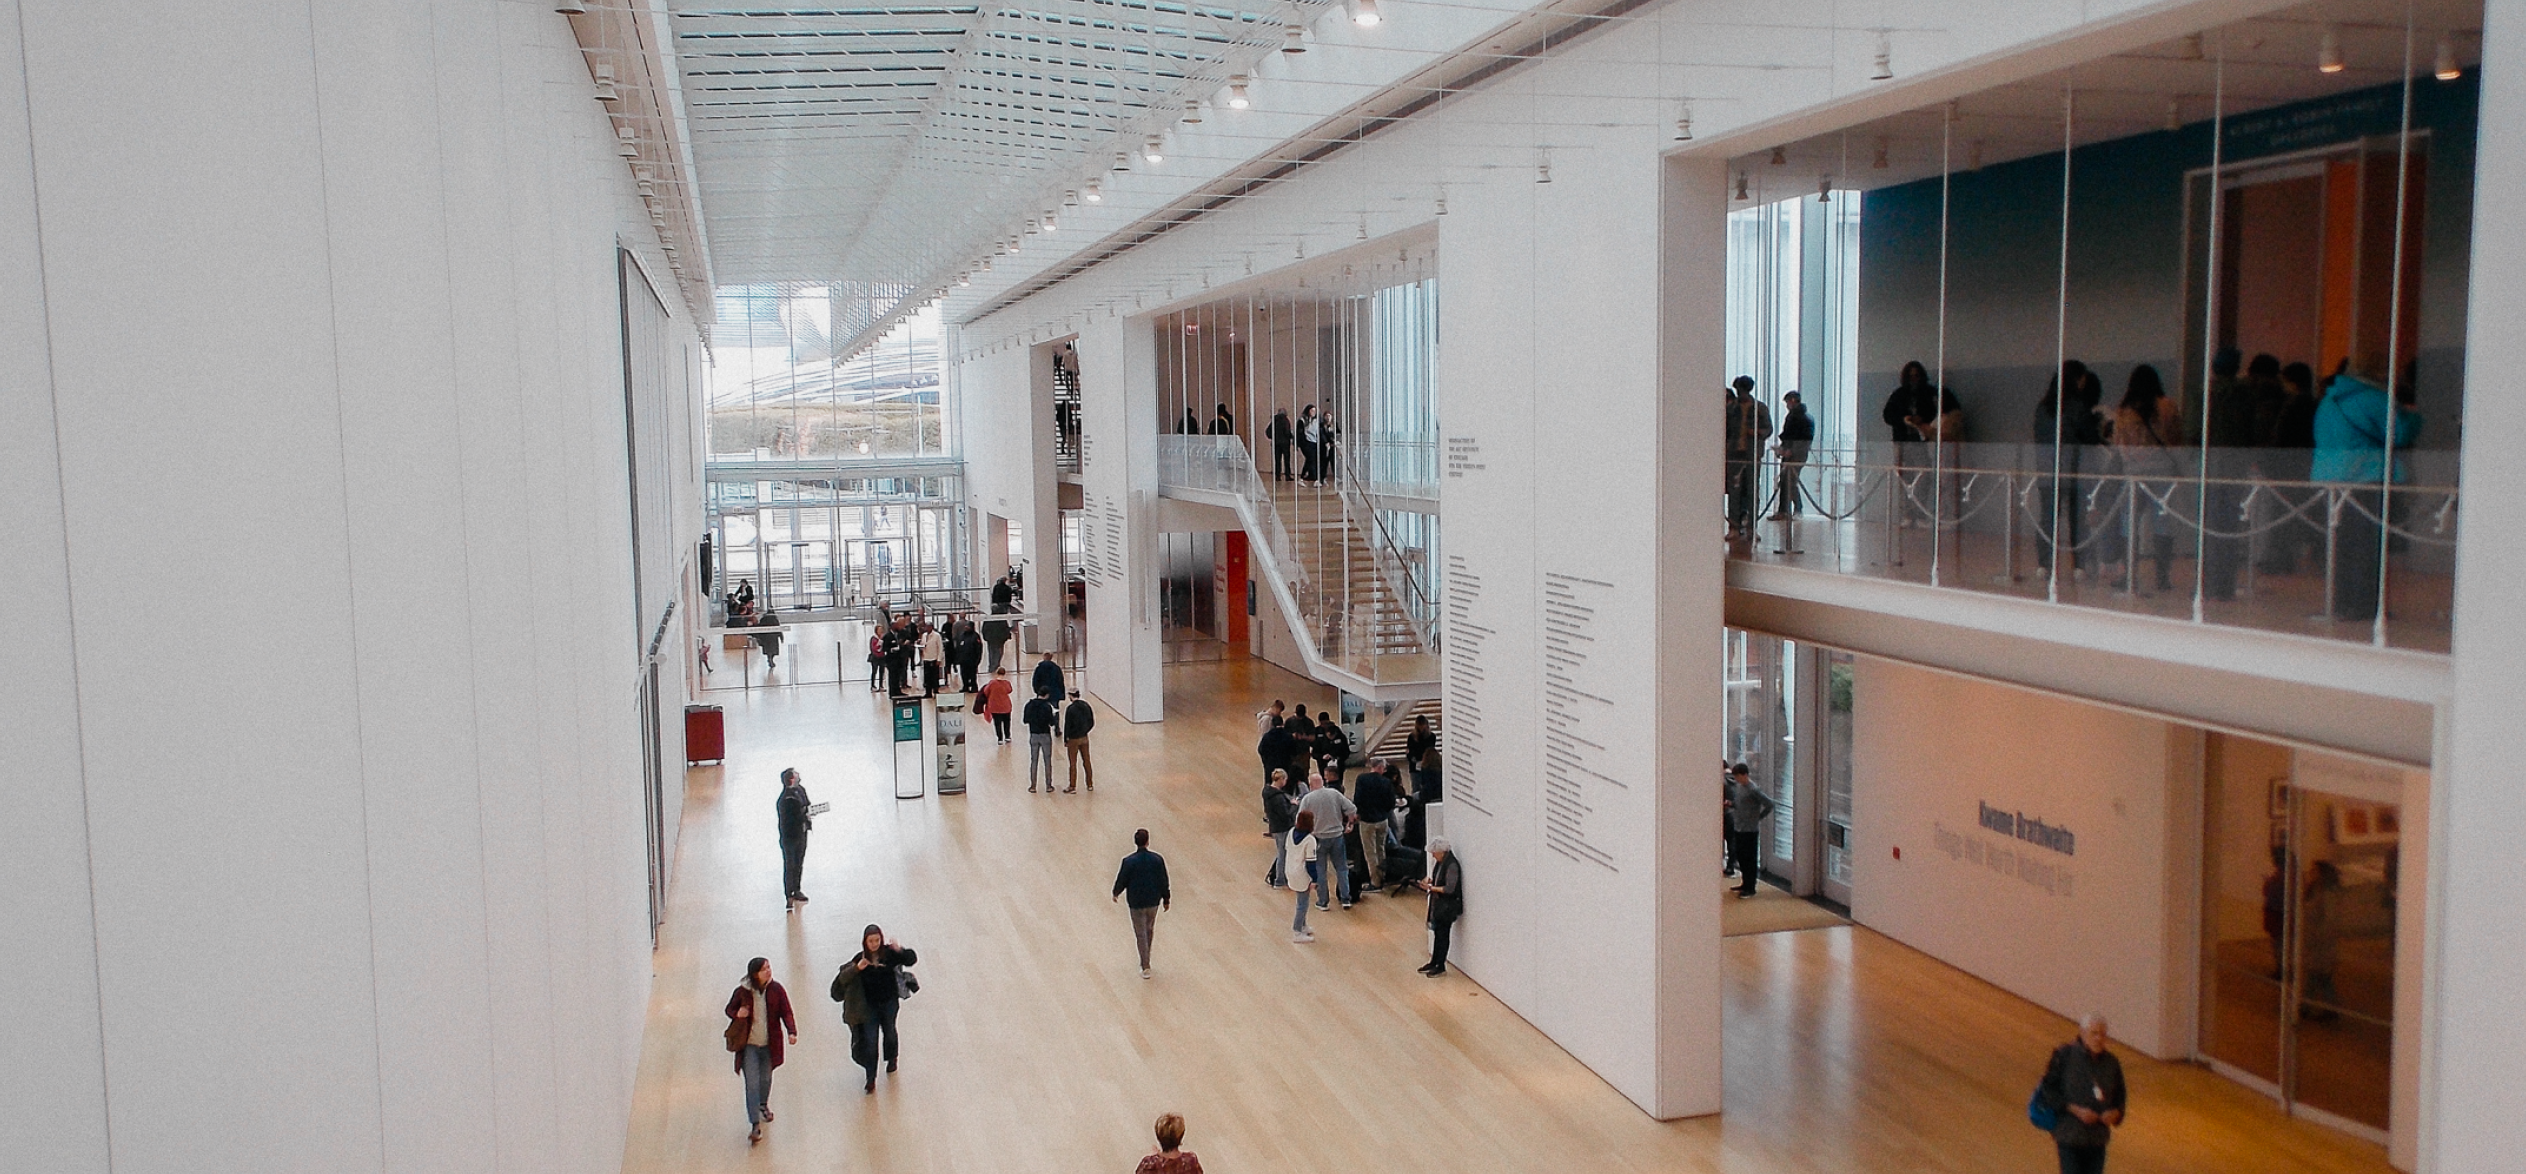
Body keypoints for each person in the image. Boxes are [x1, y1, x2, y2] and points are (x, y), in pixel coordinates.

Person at [2310, 365, 2421, 623]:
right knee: (2367, 547)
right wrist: (2414, 417)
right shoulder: (2375, 399)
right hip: (2366, 478)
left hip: (2329, 479)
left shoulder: (2328, 401)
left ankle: (2342, 601)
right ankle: (2365, 604)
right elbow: (2400, 434)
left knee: (2342, 545)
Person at [2107, 364, 2183, 593]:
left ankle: (2129, 574)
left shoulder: (2123, 410)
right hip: (2163, 472)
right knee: (2162, 524)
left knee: (2128, 525)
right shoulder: (2168, 406)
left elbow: (2119, 444)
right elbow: (2177, 438)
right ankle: (2162, 577)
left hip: (2134, 474)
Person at [2033, 362, 2102, 575]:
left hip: (2046, 468)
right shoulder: (2076, 406)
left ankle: (2045, 564)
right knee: (2077, 518)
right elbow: (2089, 437)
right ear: (2076, 379)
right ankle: (2079, 564)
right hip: (2073, 468)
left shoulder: (2043, 407)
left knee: (2048, 517)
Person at [2037, 1014, 2127, 1174]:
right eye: (2094, 1033)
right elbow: (2048, 1091)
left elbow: (2120, 1096)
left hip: (2097, 1139)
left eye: (2103, 1034)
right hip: (2070, 1137)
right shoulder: (2064, 1056)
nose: (2099, 1038)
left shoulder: (2112, 1063)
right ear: (2083, 1033)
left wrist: (2116, 1113)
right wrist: (2075, 1110)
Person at [2201, 348, 2258, 600]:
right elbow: (2252, 430)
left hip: (2208, 466)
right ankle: (2225, 585)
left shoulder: (2205, 393)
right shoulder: (2246, 393)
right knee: (2230, 525)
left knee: (2208, 526)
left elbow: (2193, 430)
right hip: (2236, 465)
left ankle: (2208, 584)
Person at [724, 957, 796, 1144]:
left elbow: (786, 1011)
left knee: (765, 1078)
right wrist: (737, 1013)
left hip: (769, 1045)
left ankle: (763, 1104)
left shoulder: (776, 990)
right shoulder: (742, 992)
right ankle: (755, 1124)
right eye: (763, 969)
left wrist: (791, 1031)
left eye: (769, 967)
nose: (768, 971)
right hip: (749, 1046)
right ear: (754, 974)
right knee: (752, 1083)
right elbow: (729, 1009)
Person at [839, 924, 917, 1094]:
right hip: (869, 1009)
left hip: (889, 1004)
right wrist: (857, 968)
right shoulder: (860, 960)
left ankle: (892, 1058)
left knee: (889, 1032)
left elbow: (911, 959)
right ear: (865, 942)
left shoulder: (889, 954)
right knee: (871, 1042)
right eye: (870, 941)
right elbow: (842, 980)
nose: (874, 944)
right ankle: (870, 1078)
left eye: (877, 940)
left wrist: (900, 950)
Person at [1112, 828, 1172, 979]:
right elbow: (1163, 880)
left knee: (1140, 933)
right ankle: (1147, 959)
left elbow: (1122, 879)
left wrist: (1116, 892)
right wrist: (1166, 898)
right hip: (1153, 901)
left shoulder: (1128, 861)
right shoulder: (1157, 860)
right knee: (1149, 929)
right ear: (1147, 841)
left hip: (1136, 902)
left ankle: (1145, 965)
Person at [1297, 771, 1358, 909]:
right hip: (1337, 836)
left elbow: (1299, 820)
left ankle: (1323, 901)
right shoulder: (1334, 793)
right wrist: (1350, 823)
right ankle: (1346, 899)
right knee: (1342, 868)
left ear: (1311, 784)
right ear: (1322, 782)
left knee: (1320, 870)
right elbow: (1352, 809)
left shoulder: (1308, 799)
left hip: (1318, 838)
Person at [1724, 376, 1772, 538]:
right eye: (1739, 390)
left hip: (1753, 455)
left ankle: (1752, 527)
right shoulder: (1731, 409)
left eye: (1742, 390)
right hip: (1734, 455)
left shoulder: (1760, 408)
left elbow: (1768, 429)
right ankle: (1734, 527)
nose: (1740, 393)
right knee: (1734, 491)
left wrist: (1757, 432)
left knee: (1752, 491)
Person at [1725, 763, 1775, 898]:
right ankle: (1745, 883)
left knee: (1749, 859)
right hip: (1739, 827)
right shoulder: (1740, 787)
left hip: (1749, 830)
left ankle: (1750, 887)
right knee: (1741, 857)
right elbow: (1740, 804)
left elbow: (1769, 804)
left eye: (1738, 777)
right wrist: (1731, 804)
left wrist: (1758, 817)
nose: (1737, 779)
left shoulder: (1753, 789)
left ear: (1745, 775)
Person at [1416, 837, 1463, 976]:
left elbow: (1449, 889)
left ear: (1442, 852)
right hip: (1439, 905)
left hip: (1447, 907)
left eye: (1434, 853)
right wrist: (1429, 881)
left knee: (1443, 935)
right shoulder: (1441, 862)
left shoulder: (1452, 865)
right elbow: (1437, 878)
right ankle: (1434, 961)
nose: (1433, 855)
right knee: (1438, 934)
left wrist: (1431, 888)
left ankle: (1440, 964)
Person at [1352, 759, 1397, 894]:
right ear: (1380, 767)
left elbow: (1358, 799)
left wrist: (1359, 813)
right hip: (1382, 820)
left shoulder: (1362, 779)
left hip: (1367, 821)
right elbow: (1391, 803)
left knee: (1370, 852)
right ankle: (1383, 876)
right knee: (1381, 849)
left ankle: (1375, 882)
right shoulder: (1386, 782)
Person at [1771, 391, 1815, 518]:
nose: (1787, 405)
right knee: (1787, 481)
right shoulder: (1798, 417)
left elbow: (1800, 438)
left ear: (1793, 401)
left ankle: (1795, 509)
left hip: (1795, 454)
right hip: (1793, 452)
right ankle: (1785, 510)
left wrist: (1790, 450)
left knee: (1790, 481)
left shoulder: (1800, 418)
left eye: (1788, 402)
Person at [775, 769, 811, 910]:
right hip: (790, 837)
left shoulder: (800, 790)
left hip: (801, 833)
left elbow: (807, 804)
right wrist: (803, 815)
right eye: (797, 776)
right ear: (791, 780)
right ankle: (789, 895)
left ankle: (797, 889)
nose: (799, 777)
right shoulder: (785, 799)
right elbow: (789, 820)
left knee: (799, 862)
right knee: (790, 865)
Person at [1287, 810, 1321, 943]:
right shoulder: (1310, 840)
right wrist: (1315, 879)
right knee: (1303, 903)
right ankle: (1297, 930)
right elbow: (1310, 863)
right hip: (1302, 874)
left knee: (1302, 900)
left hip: (1290, 869)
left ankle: (1303, 925)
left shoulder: (1290, 832)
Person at [1136, 1113, 1204, 1174]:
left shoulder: (1148, 1164)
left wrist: (1154, 1158)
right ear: (1181, 1135)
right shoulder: (1190, 1161)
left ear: (1158, 1136)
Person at [1262, 768, 1298, 886]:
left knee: (1280, 852)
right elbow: (1285, 814)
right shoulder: (1278, 797)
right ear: (1281, 779)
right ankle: (1280, 880)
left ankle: (1279, 878)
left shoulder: (1267, 792)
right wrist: (1293, 805)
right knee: (1282, 854)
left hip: (1275, 826)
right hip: (1282, 827)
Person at [1022, 688, 1059, 792]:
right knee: (1047, 761)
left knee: (1034, 760)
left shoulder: (1029, 705)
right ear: (1047, 695)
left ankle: (1033, 785)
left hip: (1033, 734)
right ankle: (1048, 785)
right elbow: (1051, 723)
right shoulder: (1047, 707)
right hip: (1045, 735)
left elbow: (1025, 720)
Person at [1063, 689, 1097, 792]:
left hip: (1073, 739)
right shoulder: (1086, 705)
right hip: (1084, 737)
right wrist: (1085, 731)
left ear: (1070, 696)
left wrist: (1066, 738)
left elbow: (1067, 725)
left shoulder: (1070, 709)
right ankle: (1090, 784)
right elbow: (1091, 721)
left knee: (1073, 763)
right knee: (1086, 761)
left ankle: (1072, 786)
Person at [979, 668, 1015, 744]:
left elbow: (986, 691)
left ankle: (1000, 738)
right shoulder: (1006, 683)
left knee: (997, 723)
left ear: (996, 673)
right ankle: (1007, 736)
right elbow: (1010, 690)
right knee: (1007, 722)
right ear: (1004, 674)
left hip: (994, 706)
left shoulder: (992, 683)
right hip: (1006, 706)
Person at [1258, 713, 1294, 787]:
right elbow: (1294, 751)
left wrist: (1266, 762)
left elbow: (1261, 750)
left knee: (1270, 785)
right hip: (1285, 765)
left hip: (1270, 765)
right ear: (1282, 723)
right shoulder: (1288, 736)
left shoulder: (1267, 736)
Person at [1296, 404, 1322, 483]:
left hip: (1314, 442)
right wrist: (1299, 443)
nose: (1313, 412)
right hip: (1306, 442)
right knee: (1310, 459)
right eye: (1312, 410)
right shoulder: (1302, 420)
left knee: (1310, 460)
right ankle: (1314, 478)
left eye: (1314, 411)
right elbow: (1299, 433)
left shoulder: (1316, 420)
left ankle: (1304, 477)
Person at [1267, 408, 1294, 480]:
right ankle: (1287, 475)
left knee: (1277, 460)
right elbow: (1287, 432)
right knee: (1286, 460)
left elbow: (1268, 431)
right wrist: (1291, 436)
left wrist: (1272, 437)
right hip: (1285, 443)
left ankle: (1277, 475)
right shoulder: (1286, 421)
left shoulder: (1274, 421)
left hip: (1276, 443)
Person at [919, 618, 945, 694]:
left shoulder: (937, 636)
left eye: (928, 626)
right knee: (927, 677)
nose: (926, 628)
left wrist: (939, 659)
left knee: (935, 676)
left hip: (934, 658)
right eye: (925, 627)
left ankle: (936, 690)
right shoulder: (924, 635)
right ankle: (928, 692)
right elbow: (923, 644)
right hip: (926, 658)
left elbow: (940, 647)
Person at [753, 608, 783, 673]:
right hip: (773, 638)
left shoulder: (763, 619)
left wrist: (759, 637)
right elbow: (778, 628)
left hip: (766, 638)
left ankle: (769, 658)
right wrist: (781, 637)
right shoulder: (775, 619)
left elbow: (760, 627)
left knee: (768, 650)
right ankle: (771, 659)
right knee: (773, 650)